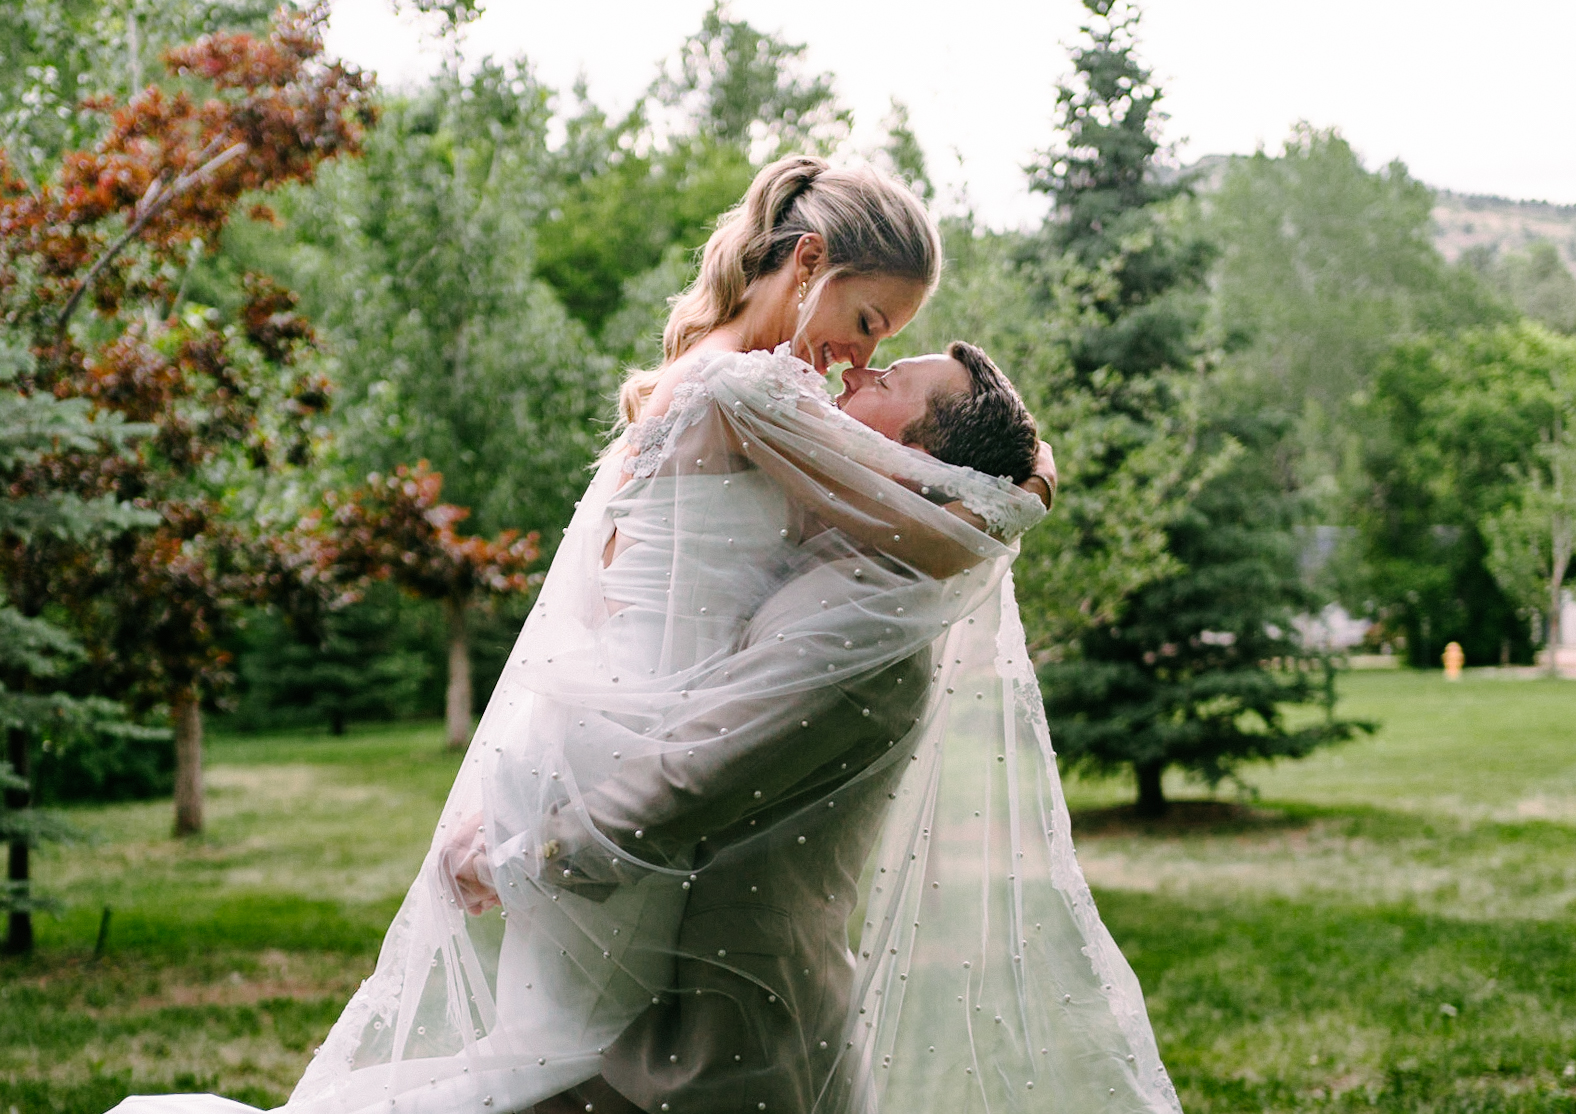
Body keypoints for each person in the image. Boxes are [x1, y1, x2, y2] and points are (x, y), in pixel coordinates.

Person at [109, 156, 1174, 1114]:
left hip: (608, 713)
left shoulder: (720, 376)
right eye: (869, 322)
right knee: (548, 1058)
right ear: (810, 262)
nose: (860, 358)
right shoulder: (748, 387)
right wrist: (1025, 488)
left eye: (883, 348)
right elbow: (935, 532)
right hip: (638, 734)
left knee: (555, 1054)